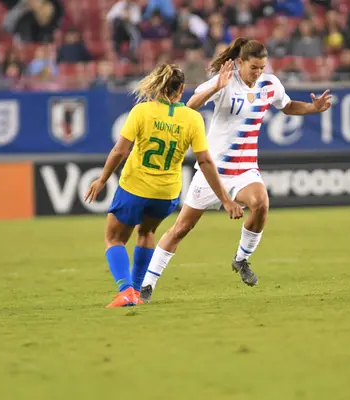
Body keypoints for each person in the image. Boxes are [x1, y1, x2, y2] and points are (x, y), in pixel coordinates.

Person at [139, 38, 332, 302]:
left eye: (262, 67)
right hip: (213, 171)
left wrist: (313, 108)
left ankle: (241, 259)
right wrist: (216, 86)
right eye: (254, 67)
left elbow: (286, 106)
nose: (258, 73)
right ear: (240, 62)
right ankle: (148, 284)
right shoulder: (225, 80)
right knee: (181, 228)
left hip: (244, 170)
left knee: (261, 202)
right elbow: (189, 106)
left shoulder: (270, 84)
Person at [84, 63, 244, 308]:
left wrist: (102, 179)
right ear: (181, 89)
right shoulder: (192, 118)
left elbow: (120, 151)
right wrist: (225, 199)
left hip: (135, 188)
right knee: (147, 233)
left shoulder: (142, 111)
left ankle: (126, 291)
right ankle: (137, 292)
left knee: (114, 239)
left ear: (158, 86)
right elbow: (205, 161)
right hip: (167, 194)